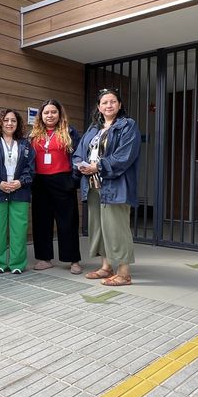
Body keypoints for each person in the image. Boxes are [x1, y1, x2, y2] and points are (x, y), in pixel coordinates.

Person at [73, 88, 141, 286]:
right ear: (99, 107)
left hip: (115, 185)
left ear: (119, 105)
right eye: (104, 102)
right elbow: (78, 153)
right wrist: (81, 166)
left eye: (113, 101)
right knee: (99, 228)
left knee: (117, 228)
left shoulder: (128, 126)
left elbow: (125, 156)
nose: (108, 105)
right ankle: (106, 267)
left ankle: (124, 273)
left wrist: (98, 166)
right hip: (92, 186)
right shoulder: (93, 129)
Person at [29, 99, 82, 274]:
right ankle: (45, 258)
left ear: (60, 114)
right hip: (40, 182)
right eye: (46, 112)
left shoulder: (69, 132)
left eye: (53, 112)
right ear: (41, 116)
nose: (50, 115)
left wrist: (73, 180)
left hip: (63, 181)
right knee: (41, 221)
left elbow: (79, 156)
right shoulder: (33, 135)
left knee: (67, 222)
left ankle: (73, 260)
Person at [0, 109, 34, 274]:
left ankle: (17, 263)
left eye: (13, 120)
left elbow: (31, 168)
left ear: (17, 124)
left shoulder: (25, 144)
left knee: (19, 229)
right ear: (0, 122)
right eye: (6, 120)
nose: (10, 123)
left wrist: (20, 182)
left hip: (20, 191)